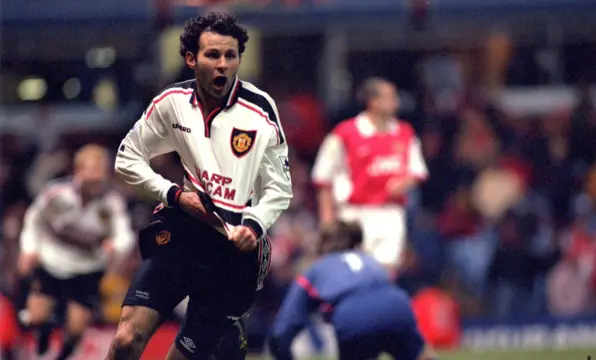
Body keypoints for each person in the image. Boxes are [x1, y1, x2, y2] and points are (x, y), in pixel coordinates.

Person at [107, 12, 292, 360]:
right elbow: (126, 160)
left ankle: (228, 332)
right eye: (212, 55)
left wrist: (254, 225)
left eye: (231, 55)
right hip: (184, 234)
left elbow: (279, 188)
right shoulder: (171, 103)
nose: (223, 65)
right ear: (192, 59)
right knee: (125, 340)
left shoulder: (261, 110)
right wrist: (174, 195)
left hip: (233, 254)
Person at [17, 144, 136, 360]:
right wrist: (29, 249)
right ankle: (44, 330)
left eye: (99, 173)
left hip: (87, 268)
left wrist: (116, 247)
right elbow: (34, 219)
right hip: (52, 261)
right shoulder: (56, 194)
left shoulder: (111, 203)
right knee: (35, 318)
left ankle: (63, 355)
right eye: (90, 171)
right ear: (77, 171)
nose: (94, 179)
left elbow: (124, 234)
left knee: (76, 330)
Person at [268, 221, 435, 360]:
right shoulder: (369, 260)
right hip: (398, 305)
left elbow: (283, 329)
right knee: (418, 355)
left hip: (354, 315)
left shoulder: (315, 270)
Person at [311, 77, 428, 274]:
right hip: (354, 214)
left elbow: (418, 171)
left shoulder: (405, 133)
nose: (395, 102)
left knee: (386, 274)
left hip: (390, 213)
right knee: (353, 273)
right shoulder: (345, 133)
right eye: (390, 97)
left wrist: (404, 182)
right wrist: (327, 221)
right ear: (372, 101)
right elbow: (323, 178)